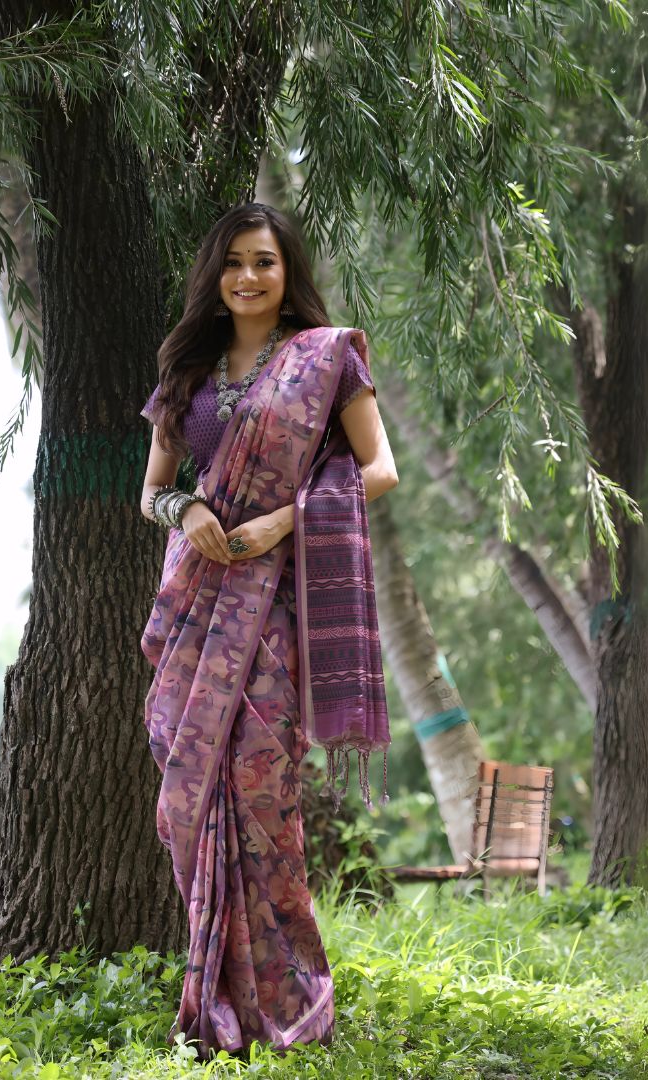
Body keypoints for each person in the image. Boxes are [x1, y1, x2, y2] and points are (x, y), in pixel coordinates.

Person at [137, 202, 399, 1057]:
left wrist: (283, 523)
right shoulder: (188, 370)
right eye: (235, 264)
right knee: (185, 794)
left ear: (288, 276)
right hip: (196, 598)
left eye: (265, 263)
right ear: (215, 275)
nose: (248, 278)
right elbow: (153, 491)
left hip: (275, 609)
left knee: (261, 794)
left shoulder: (327, 360)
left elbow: (379, 470)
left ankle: (289, 1001)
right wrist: (191, 511)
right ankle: (211, 997)